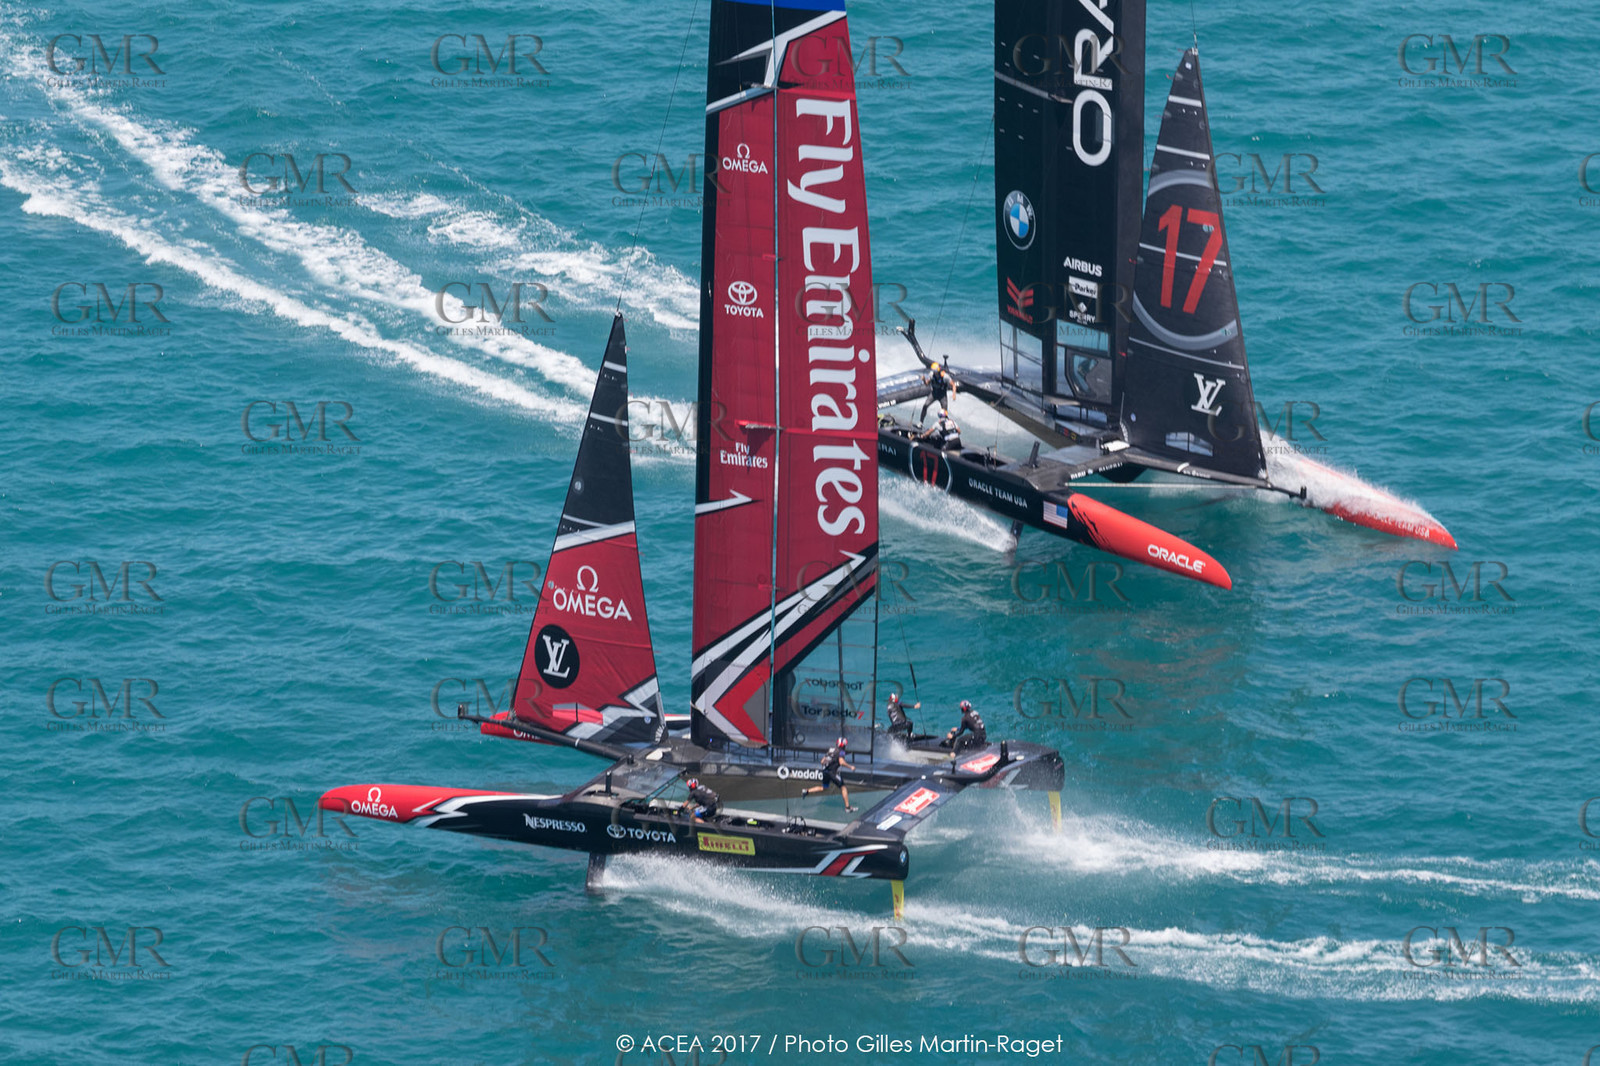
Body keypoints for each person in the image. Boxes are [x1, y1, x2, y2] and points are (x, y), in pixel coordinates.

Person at [801, 737, 857, 812]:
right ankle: (847, 808)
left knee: (824, 788)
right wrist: (851, 767)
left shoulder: (831, 750)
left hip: (825, 772)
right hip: (832, 773)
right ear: (844, 745)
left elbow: (822, 761)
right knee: (843, 787)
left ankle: (806, 791)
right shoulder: (841, 752)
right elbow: (841, 762)